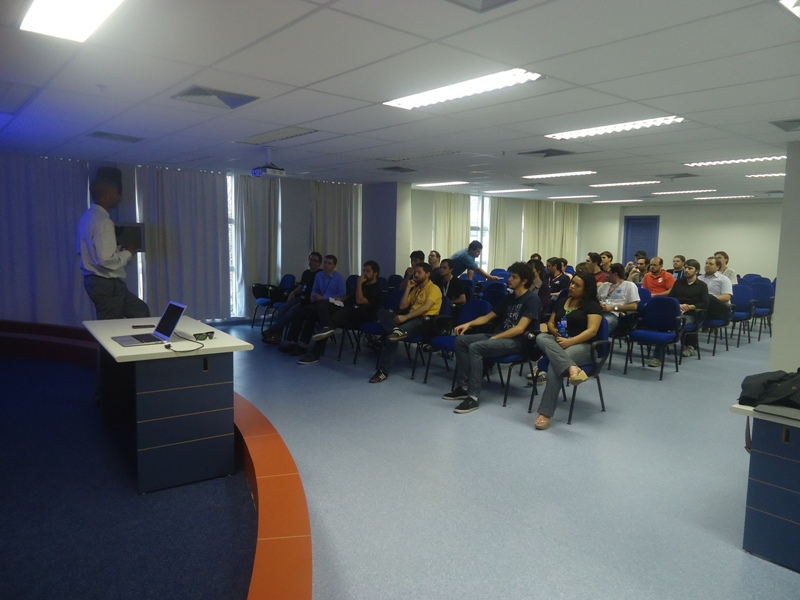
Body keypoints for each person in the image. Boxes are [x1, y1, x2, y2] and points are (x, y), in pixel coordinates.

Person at [442, 262, 541, 414]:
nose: (509, 279)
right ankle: (463, 387)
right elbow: (488, 317)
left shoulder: (532, 299)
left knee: (476, 347)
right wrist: (468, 324)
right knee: (461, 341)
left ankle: (473, 397)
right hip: (500, 337)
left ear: (524, 281)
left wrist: (495, 338)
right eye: (510, 276)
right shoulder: (509, 298)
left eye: (514, 277)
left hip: (518, 342)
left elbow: (520, 329)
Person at [532, 272, 603, 430]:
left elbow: (592, 331)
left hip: (584, 346)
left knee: (554, 364)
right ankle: (572, 367)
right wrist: (553, 330)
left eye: (577, 285)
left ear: (586, 289)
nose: (572, 286)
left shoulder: (592, 305)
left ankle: (545, 413)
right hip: (559, 343)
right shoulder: (562, 301)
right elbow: (551, 323)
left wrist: (570, 341)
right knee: (541, 337)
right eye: (572, 283)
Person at [77, 169, 150, 320]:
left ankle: (141, 336)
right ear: (106, 195)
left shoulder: (87, 217)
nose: (119, 197)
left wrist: (116, 250)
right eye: (116, 193)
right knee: (110, 324)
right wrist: (128, 252)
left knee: (140, 311)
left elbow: (83, 251)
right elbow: (105, 260)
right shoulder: (103, 221)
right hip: (105, 283)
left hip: (97, 282)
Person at [296, 260, 383, 364]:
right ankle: (303, 345)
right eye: (363, 270)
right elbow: (351, 296)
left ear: (375, 273)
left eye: (367, 271)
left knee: (329, 321)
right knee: (317, 309)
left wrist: (359, 283)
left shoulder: (376, 290)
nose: (364, 273)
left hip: (358, 314)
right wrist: (341, 299)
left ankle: (315, 354)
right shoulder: (363, 284)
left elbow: (360, 300)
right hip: (346, 307)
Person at [369, 262, 442, 383]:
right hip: (410, 318)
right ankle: (396, 330)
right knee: (382, 312)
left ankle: (383, 372)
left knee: (392, 338)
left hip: (424, 322)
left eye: (419, 272)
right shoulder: (416, 288)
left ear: (428, 274)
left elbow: (425, 308)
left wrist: (405, 317)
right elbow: (402, 306)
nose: (416, 275)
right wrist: (408, 288)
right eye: (415, 272)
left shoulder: (434, 288)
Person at [277, 254, 345, 356]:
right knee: (298, 311)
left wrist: (324, 297)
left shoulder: (338, 277)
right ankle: (292, 342)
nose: (326, 265)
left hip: (330, 304)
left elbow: (342, 293)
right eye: (325, 263)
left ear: (334, 266)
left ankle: (303, 345)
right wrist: (313, 296)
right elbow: (314, 289)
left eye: (329, 263)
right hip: (317, 302)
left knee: (310, 315)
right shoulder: (319, 275)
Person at [648, 259, 709, 366]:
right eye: (685, 268)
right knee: (662, 323)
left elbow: (705, 303)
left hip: (691, 314)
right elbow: (671, 297)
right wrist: (679, 305)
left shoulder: (702, 285)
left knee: (674, 323)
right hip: (677, 310)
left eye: (690, 268)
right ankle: (657, 357)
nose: (686, 270)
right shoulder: (679, 282)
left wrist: (689, 307)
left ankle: (686, 346)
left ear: (697, 271)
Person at [261, 252, 322, 344]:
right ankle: (276, 336)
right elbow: (301, 287)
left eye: (314, 261)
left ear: (319, 263)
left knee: (292, 310)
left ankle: (272, 330)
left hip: (309, 300)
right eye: (310, 259)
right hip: (301, 297)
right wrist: (293, 293)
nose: (311, 262)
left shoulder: (320, 274)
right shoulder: (306, 273)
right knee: (282, 308)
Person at [597, 263, 640, 335]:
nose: (606, 275)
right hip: (599, 312)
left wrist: (612, 308)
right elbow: (596, 299)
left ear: (615, 274)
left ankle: (599, 341)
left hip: (616, 314)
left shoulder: (629, 285)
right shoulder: (604, 285)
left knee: (601, 325)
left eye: (608, 273)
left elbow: (634, 306)